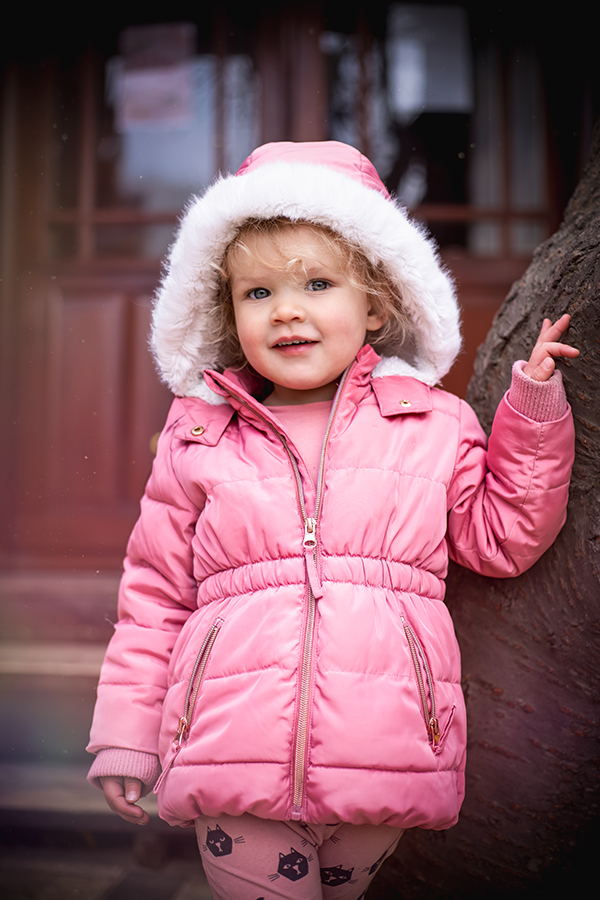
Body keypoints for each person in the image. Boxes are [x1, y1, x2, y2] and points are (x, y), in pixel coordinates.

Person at [87, 141, 578, 899]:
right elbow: (154, 599)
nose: (286, 310)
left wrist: (533, 412)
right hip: (233, 759)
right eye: (258, 292)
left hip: (383, 756)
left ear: (376, 305)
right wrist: (127, 735)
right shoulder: (200, 437)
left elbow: (502, 537)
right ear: (229, 314)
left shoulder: (431, 423)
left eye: (318, 284)